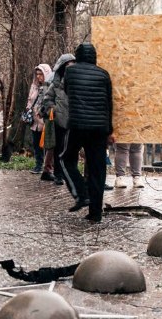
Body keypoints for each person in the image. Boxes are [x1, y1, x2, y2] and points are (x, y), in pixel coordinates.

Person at [60, 43, 114, 223]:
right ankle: (95, 213)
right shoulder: (104, 74)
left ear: (78, 56)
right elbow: (109, 104)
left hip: (77, 125)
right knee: (97, 169)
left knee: (66, 159)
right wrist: (109, 130)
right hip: (100, 128)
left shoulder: (70, 72)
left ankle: (81, 193)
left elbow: (67, 92)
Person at [40, 53, 75, 186]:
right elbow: (47, 99)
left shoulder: (77, 81)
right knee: (59, 149)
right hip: (59, 120)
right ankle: (58, 175)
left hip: (74, 121)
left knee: (72, 150)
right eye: (67, 65)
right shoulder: (55, 83)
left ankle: (70, 174)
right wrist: (53, 110)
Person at [25, 63, 52, 174]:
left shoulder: (50, 86)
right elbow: (30, 99)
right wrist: (28, 109)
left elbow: (50, 103)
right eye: (37, 74)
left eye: (41, 74)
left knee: (46, 145)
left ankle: (48, 167)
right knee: (36, 144)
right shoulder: (34, 85)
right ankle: (38, 165)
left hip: (45, 120)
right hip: (34, 120)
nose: (38, 77)